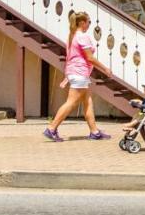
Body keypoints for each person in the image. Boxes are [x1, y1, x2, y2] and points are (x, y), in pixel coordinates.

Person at [44, 11, 112, 142]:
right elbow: (90, 58)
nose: (89, 24)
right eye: (89, 22)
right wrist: (105, 69)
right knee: (71, 103)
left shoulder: (72, 36)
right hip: (79, 73)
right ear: (82, 22)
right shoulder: (82, 36)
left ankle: (94, 132)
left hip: (77, 73)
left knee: (88, 102)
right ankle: (51, 128)